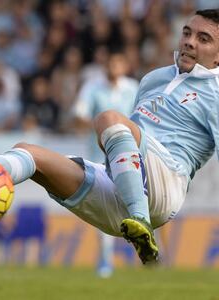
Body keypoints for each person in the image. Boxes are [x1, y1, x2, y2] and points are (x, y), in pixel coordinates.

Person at [0, 9, 219, 282]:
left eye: (203, 39)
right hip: (121, 188)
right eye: (187, 32)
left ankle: (140, 223)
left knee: (109, 117)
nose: (189, 41)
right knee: (32, 153)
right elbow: (129, 141)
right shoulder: (154, 79)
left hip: (166, 184)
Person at [73, 51, 139, 277]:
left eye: (118, 61)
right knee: (106, 207)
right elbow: (79, 113)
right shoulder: (92, 87)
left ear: (125, 65)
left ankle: (151, 254)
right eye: (111, 62)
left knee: (141, 203)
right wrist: (86, 121)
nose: (114, 66)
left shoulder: (133, 88)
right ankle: (106, 260)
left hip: (131, 156)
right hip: (99, 157)